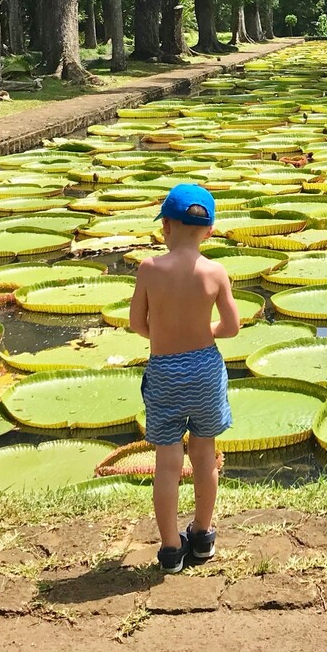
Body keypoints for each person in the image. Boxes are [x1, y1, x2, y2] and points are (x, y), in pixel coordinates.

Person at [128, 184, 241, 574]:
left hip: (164, 370)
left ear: (166, 229)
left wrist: (162, 335)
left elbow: (136, 324)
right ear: (208, 231)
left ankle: (171, 548)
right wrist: (203, 328)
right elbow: (231, 327)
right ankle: (204, 536)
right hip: (206, 370)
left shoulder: (149, 268)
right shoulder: (215, 271)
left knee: (167, 461)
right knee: (205, 453)